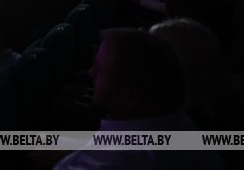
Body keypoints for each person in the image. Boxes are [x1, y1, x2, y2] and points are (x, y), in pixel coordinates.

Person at [54, 28, 222, 170]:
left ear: (129, 97)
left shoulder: (104, 162)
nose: (91, 72)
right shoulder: (181, 126)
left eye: (101, 69)